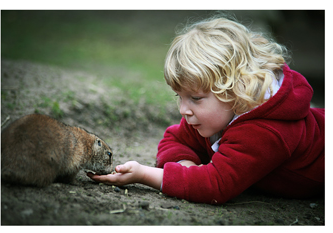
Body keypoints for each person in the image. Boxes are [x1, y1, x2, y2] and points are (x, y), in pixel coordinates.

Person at [89, 17, 324, 204]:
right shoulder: (215, 116)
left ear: (236, 88)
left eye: (196, 98)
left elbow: (218, 185)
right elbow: (174, 138)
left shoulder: (266, 131)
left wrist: (145, 175)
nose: (183, 110)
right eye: (179, 97)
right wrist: (185, 165)